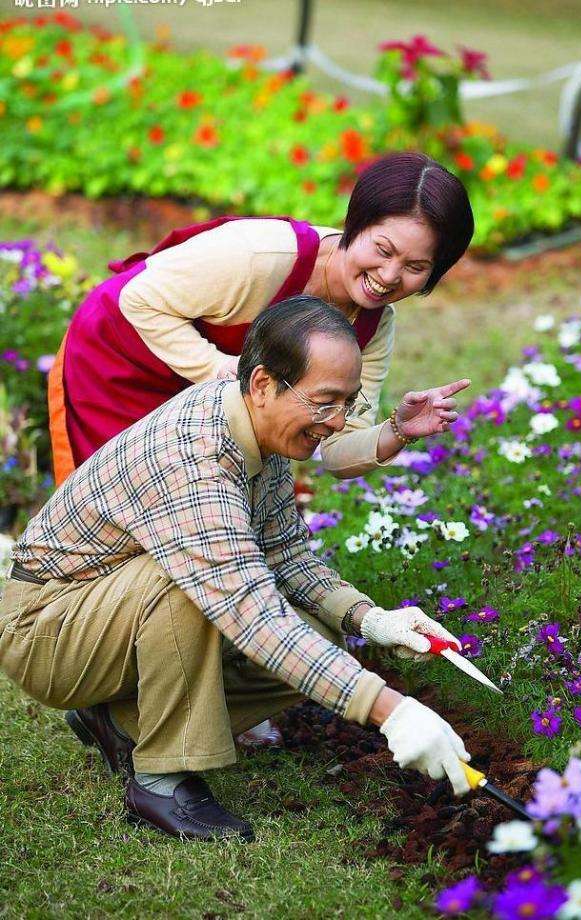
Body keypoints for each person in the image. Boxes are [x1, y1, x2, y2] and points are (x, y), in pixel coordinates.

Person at [1, 297, 471, 843]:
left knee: (320, 633)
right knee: (191, 586)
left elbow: (287, 555)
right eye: (325, 402)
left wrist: (370, 620)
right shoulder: (194, 457)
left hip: (105, 612)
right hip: (46, 631)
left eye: (347, 403)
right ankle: (160, 778)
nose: (338, 423)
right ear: (265, 384)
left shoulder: (256, 428)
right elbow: (251, 613)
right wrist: (390, 711)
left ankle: (118, 721)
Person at [47, 149, 473, 747]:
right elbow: (137, 301)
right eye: (383, 248)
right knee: (139, 546)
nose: (390, 275)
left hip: (231, 393)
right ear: (355, 225)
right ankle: (104, 680)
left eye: (416, 266)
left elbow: (335, 449)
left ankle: (148, 709)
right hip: (123, 363)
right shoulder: (261, 257)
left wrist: (394, 432)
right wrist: (235, 381)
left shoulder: (373, 326)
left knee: (227, 540)